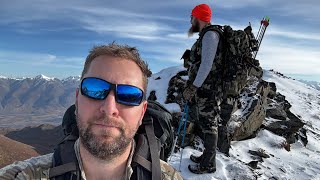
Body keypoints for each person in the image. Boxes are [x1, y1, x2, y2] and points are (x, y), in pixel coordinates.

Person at [0, 43, 182, 180]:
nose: (109, 108)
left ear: (142, 112)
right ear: (77, 100)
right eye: (95, 89)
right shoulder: (24, 175)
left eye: (129, 95)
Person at [182, 4, 222, 174]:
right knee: (206, 124)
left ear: (198, 18)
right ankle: (206, 157)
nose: (191, 20)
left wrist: (194, 87)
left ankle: (208, 165)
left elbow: (206, 65)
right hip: (207, 89)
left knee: (209, 125)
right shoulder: (207, 35)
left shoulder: (210, 35)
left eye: (192, 17)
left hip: (209, 90)